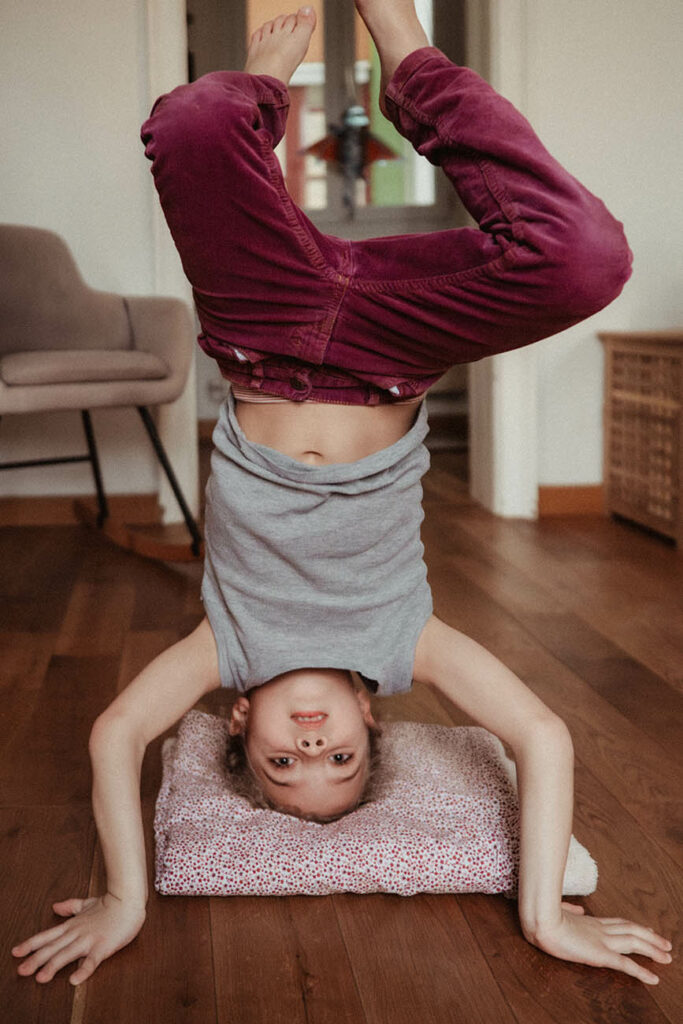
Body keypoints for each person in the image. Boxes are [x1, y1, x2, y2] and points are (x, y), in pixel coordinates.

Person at [12, 0, 672, 991]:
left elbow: (117, 734)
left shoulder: (226, 647)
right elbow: (538, 733)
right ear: (372, 722)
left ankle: (262, 92)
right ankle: (409, 56)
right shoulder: (399, 640)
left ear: (238, 722)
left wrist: (126, 898)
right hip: (391, 352)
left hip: (265, 331)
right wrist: (542, 915)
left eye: (283, 764)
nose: (311, 746)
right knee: (586, 258)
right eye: (341, 763)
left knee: (189, 125)